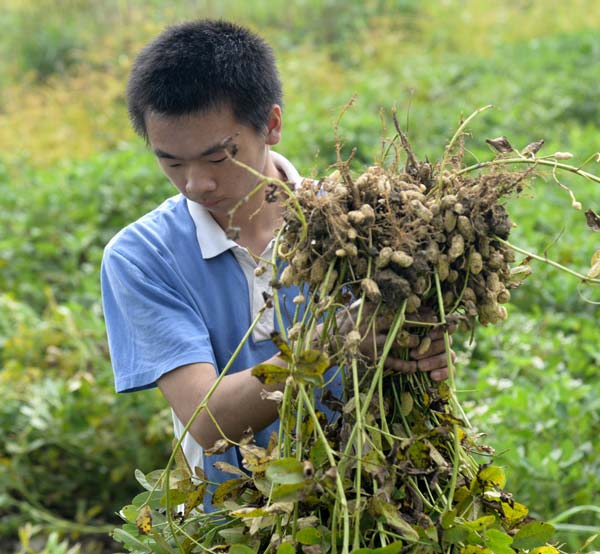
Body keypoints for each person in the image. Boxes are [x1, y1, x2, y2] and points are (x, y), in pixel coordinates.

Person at [101, 19, 454, 512]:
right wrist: (331, 344)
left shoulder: (363, 226)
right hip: (226, 525)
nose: (196, 184)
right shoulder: (142, 256)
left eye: (218, 157)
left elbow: (406, 353)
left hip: (374, 503)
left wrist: (425, 352)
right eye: (172, 162)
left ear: (271, 124)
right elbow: (208, 421)